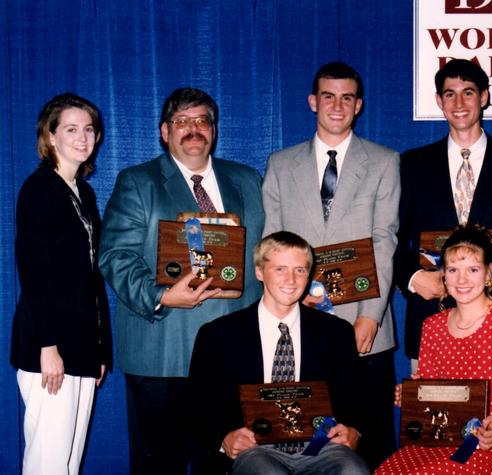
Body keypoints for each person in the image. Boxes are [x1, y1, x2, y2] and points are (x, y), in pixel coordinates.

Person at [99, 87, 264, 474]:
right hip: (162, 353)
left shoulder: (247, 179)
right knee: (160, 467)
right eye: (182, 122)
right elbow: (115, 255)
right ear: (164, 131)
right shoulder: (138, 182)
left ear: (214, 130)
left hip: (230, 357)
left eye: (202, 121)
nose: (194, 129)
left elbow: (266, 252)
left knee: (223, 465)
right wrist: (161, 296)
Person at [262, 62, 400, 469]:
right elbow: (272, 245)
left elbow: (384, 239)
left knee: (368, 436)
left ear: (358, 105)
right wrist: (285, 308)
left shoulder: (384, 161)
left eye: (346, 98)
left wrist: (371, 316)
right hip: (299, 320)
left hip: (364, 323)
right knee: (300, 440)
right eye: (327, 96)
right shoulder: (281, 164)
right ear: (312, 102)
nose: (336, 106)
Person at [395, 58, 492, 371]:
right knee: (433, 416)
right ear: (438, 101)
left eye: (468, 93)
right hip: (429, 318)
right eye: (450, 94)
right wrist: (412, 276)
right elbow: (391, 236)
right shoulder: (413, 165)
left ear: (484, 97)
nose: (459, 103)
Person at [188, 231, 369, 475]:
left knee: (352, 470)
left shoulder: (336, 332)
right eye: (280, 269)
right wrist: (224, 438)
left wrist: (354, 430)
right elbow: (198, 404)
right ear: (259, 272)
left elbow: (356, 396)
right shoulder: (218, 334)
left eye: (300, 270)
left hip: (318, 444)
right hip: (255, 447)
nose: (291, 280)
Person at [377, 225, 492, 475]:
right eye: (453, 270)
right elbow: (432, 399)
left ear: (488, 272)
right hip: (437, 441)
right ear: (443, 275)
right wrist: (410, 396)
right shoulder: (432, 326)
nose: (462, 280)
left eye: (472, 269)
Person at [10, 93, 112, 474]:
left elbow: (90, 278)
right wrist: (47, 346)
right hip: (50, 347)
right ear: (51, 136)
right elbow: (34, 274)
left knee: (69, 460)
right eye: (71, 129)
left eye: (88, 129)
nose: (82, 137)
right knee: (48, 461)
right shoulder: (39, 189)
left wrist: (101, 349)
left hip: (82, 345)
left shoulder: (83, 192)